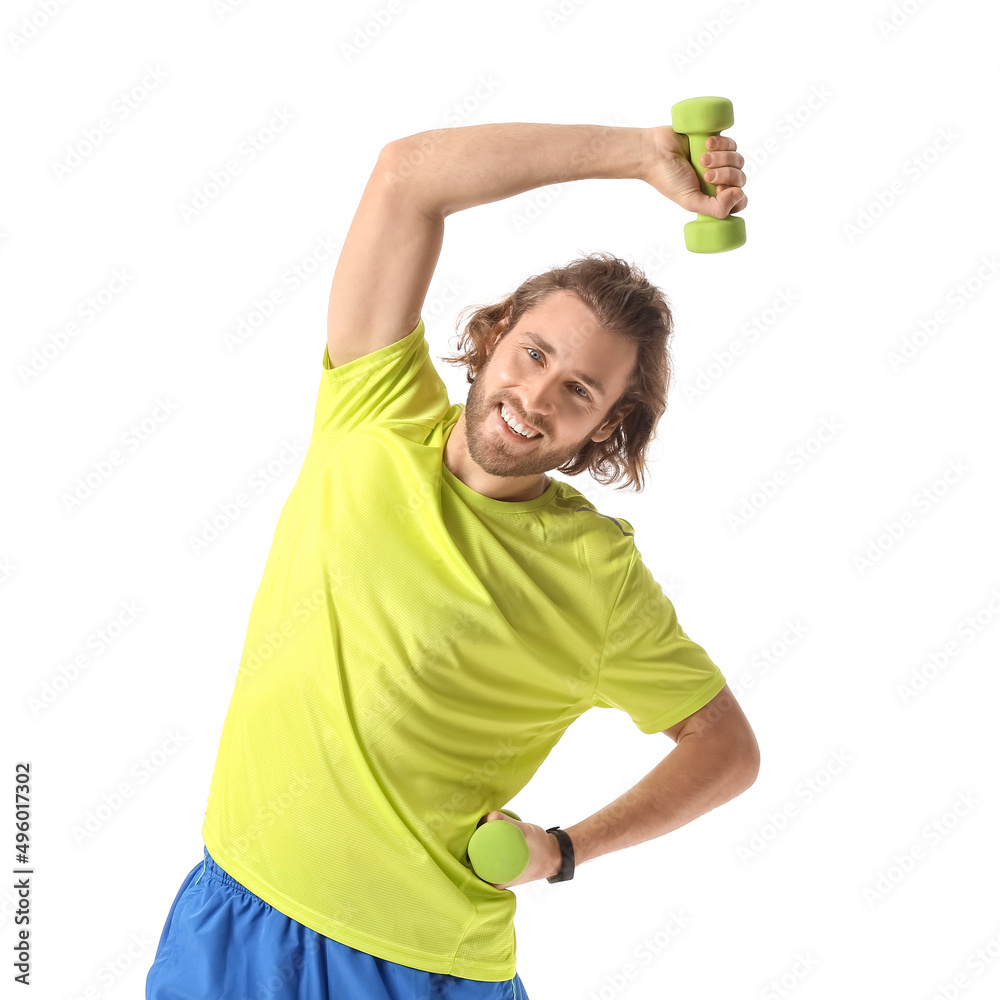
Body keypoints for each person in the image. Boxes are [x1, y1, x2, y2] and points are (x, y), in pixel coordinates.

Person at [146, 119, 759, 1000]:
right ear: (499, 332)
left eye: (579, 391)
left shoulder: (596, 575)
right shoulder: (375, 407)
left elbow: (726, 748)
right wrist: (635, 156)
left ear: (606, 427)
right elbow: (406, 177)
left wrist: (566, 850)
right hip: (236, 908)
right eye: (534, 353)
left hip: (415, 967)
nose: (535, 397)